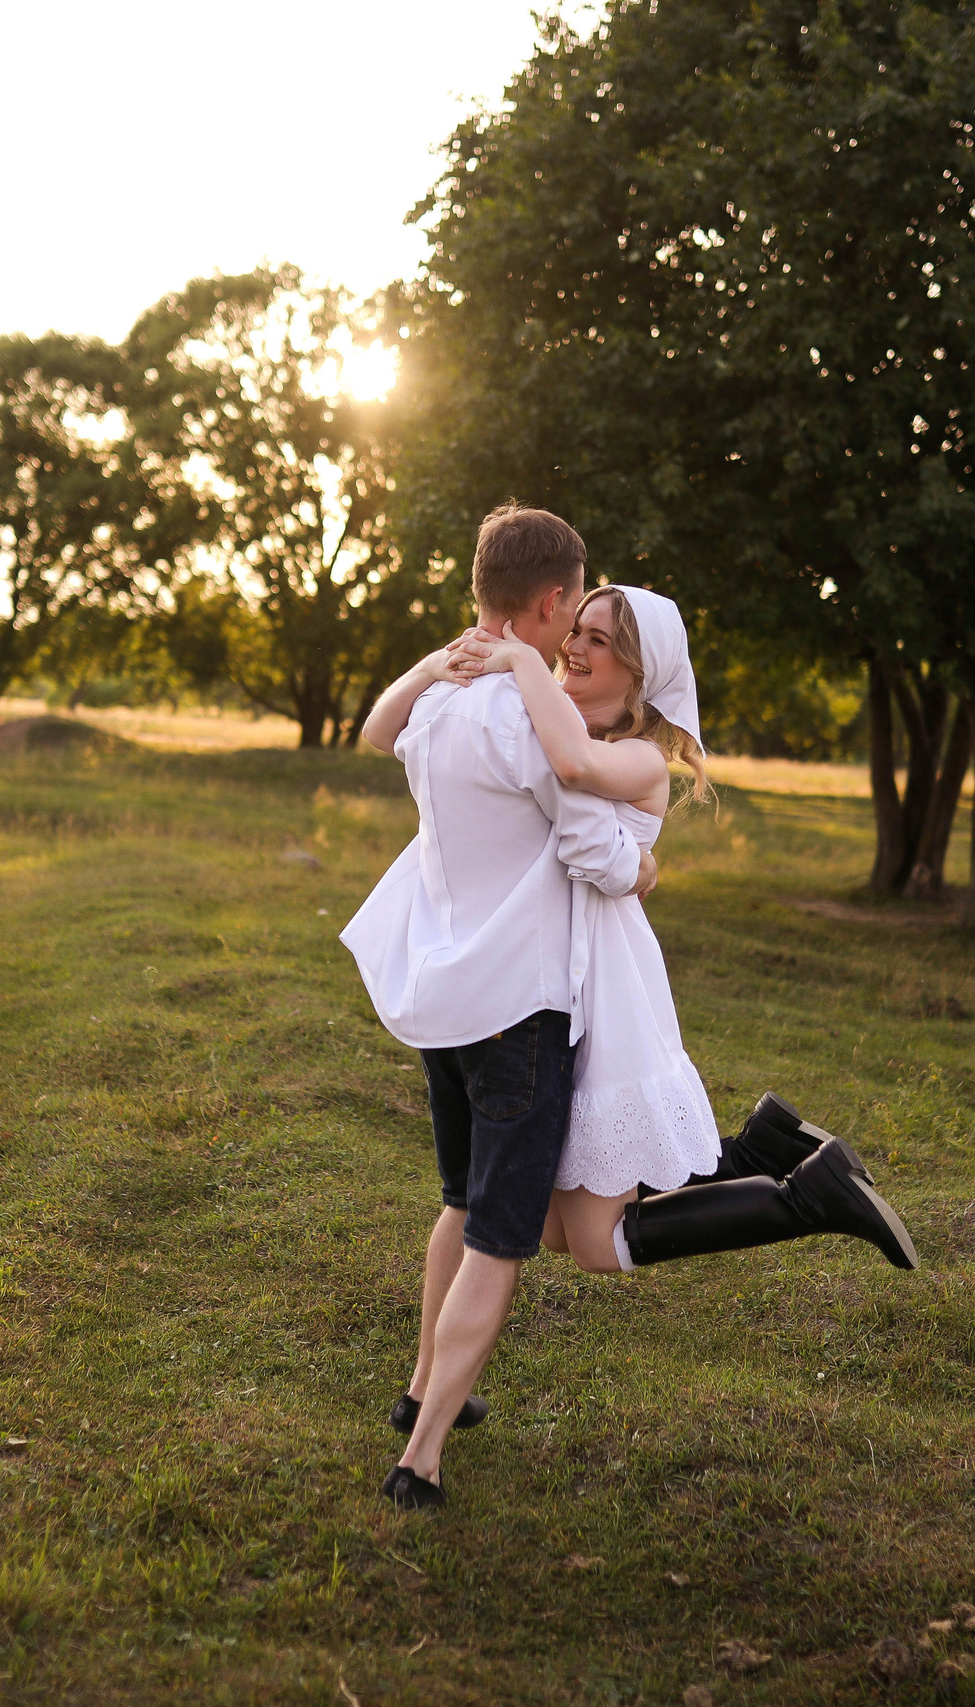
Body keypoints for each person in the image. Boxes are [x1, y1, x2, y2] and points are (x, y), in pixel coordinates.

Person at [450, 587, 917, 1282]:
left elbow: (580, 812)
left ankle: (811, 1196)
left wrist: (632, 863)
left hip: (605, 986)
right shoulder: (566, 729)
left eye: (599, 640)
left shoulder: (638, 757)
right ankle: (761, 1147)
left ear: (639, 673)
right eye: (576, 629)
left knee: (597, 1244)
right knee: (547, 1228)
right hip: (563, 974)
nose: (574, 645)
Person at [339, 503, 653, 1511]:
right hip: (517, 1007)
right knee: (499, 1238)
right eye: (576, 616)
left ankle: (422, 1389)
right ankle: (421, 1456)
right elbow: (590, 842)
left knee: (461, 1201)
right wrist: (641, 861)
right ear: (554, 600)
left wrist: (442, 661)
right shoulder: (526, 710)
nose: (575, 642)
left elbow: (376, 730)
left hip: (443, 991)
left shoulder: (440, 700)